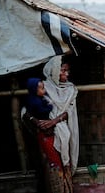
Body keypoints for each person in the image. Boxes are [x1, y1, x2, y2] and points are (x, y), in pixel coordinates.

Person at [25, 56, 79, 193]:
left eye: (67, 71)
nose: (66, 74)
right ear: (54, 71)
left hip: (62, 132)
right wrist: (37, 122)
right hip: (46, 134)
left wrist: (53, 121)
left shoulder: (71, 89)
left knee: (64, 164)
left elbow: (70, 112)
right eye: (63, 70)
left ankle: (66, 190)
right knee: (52, 167)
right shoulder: (42, 86)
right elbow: (26, 110)